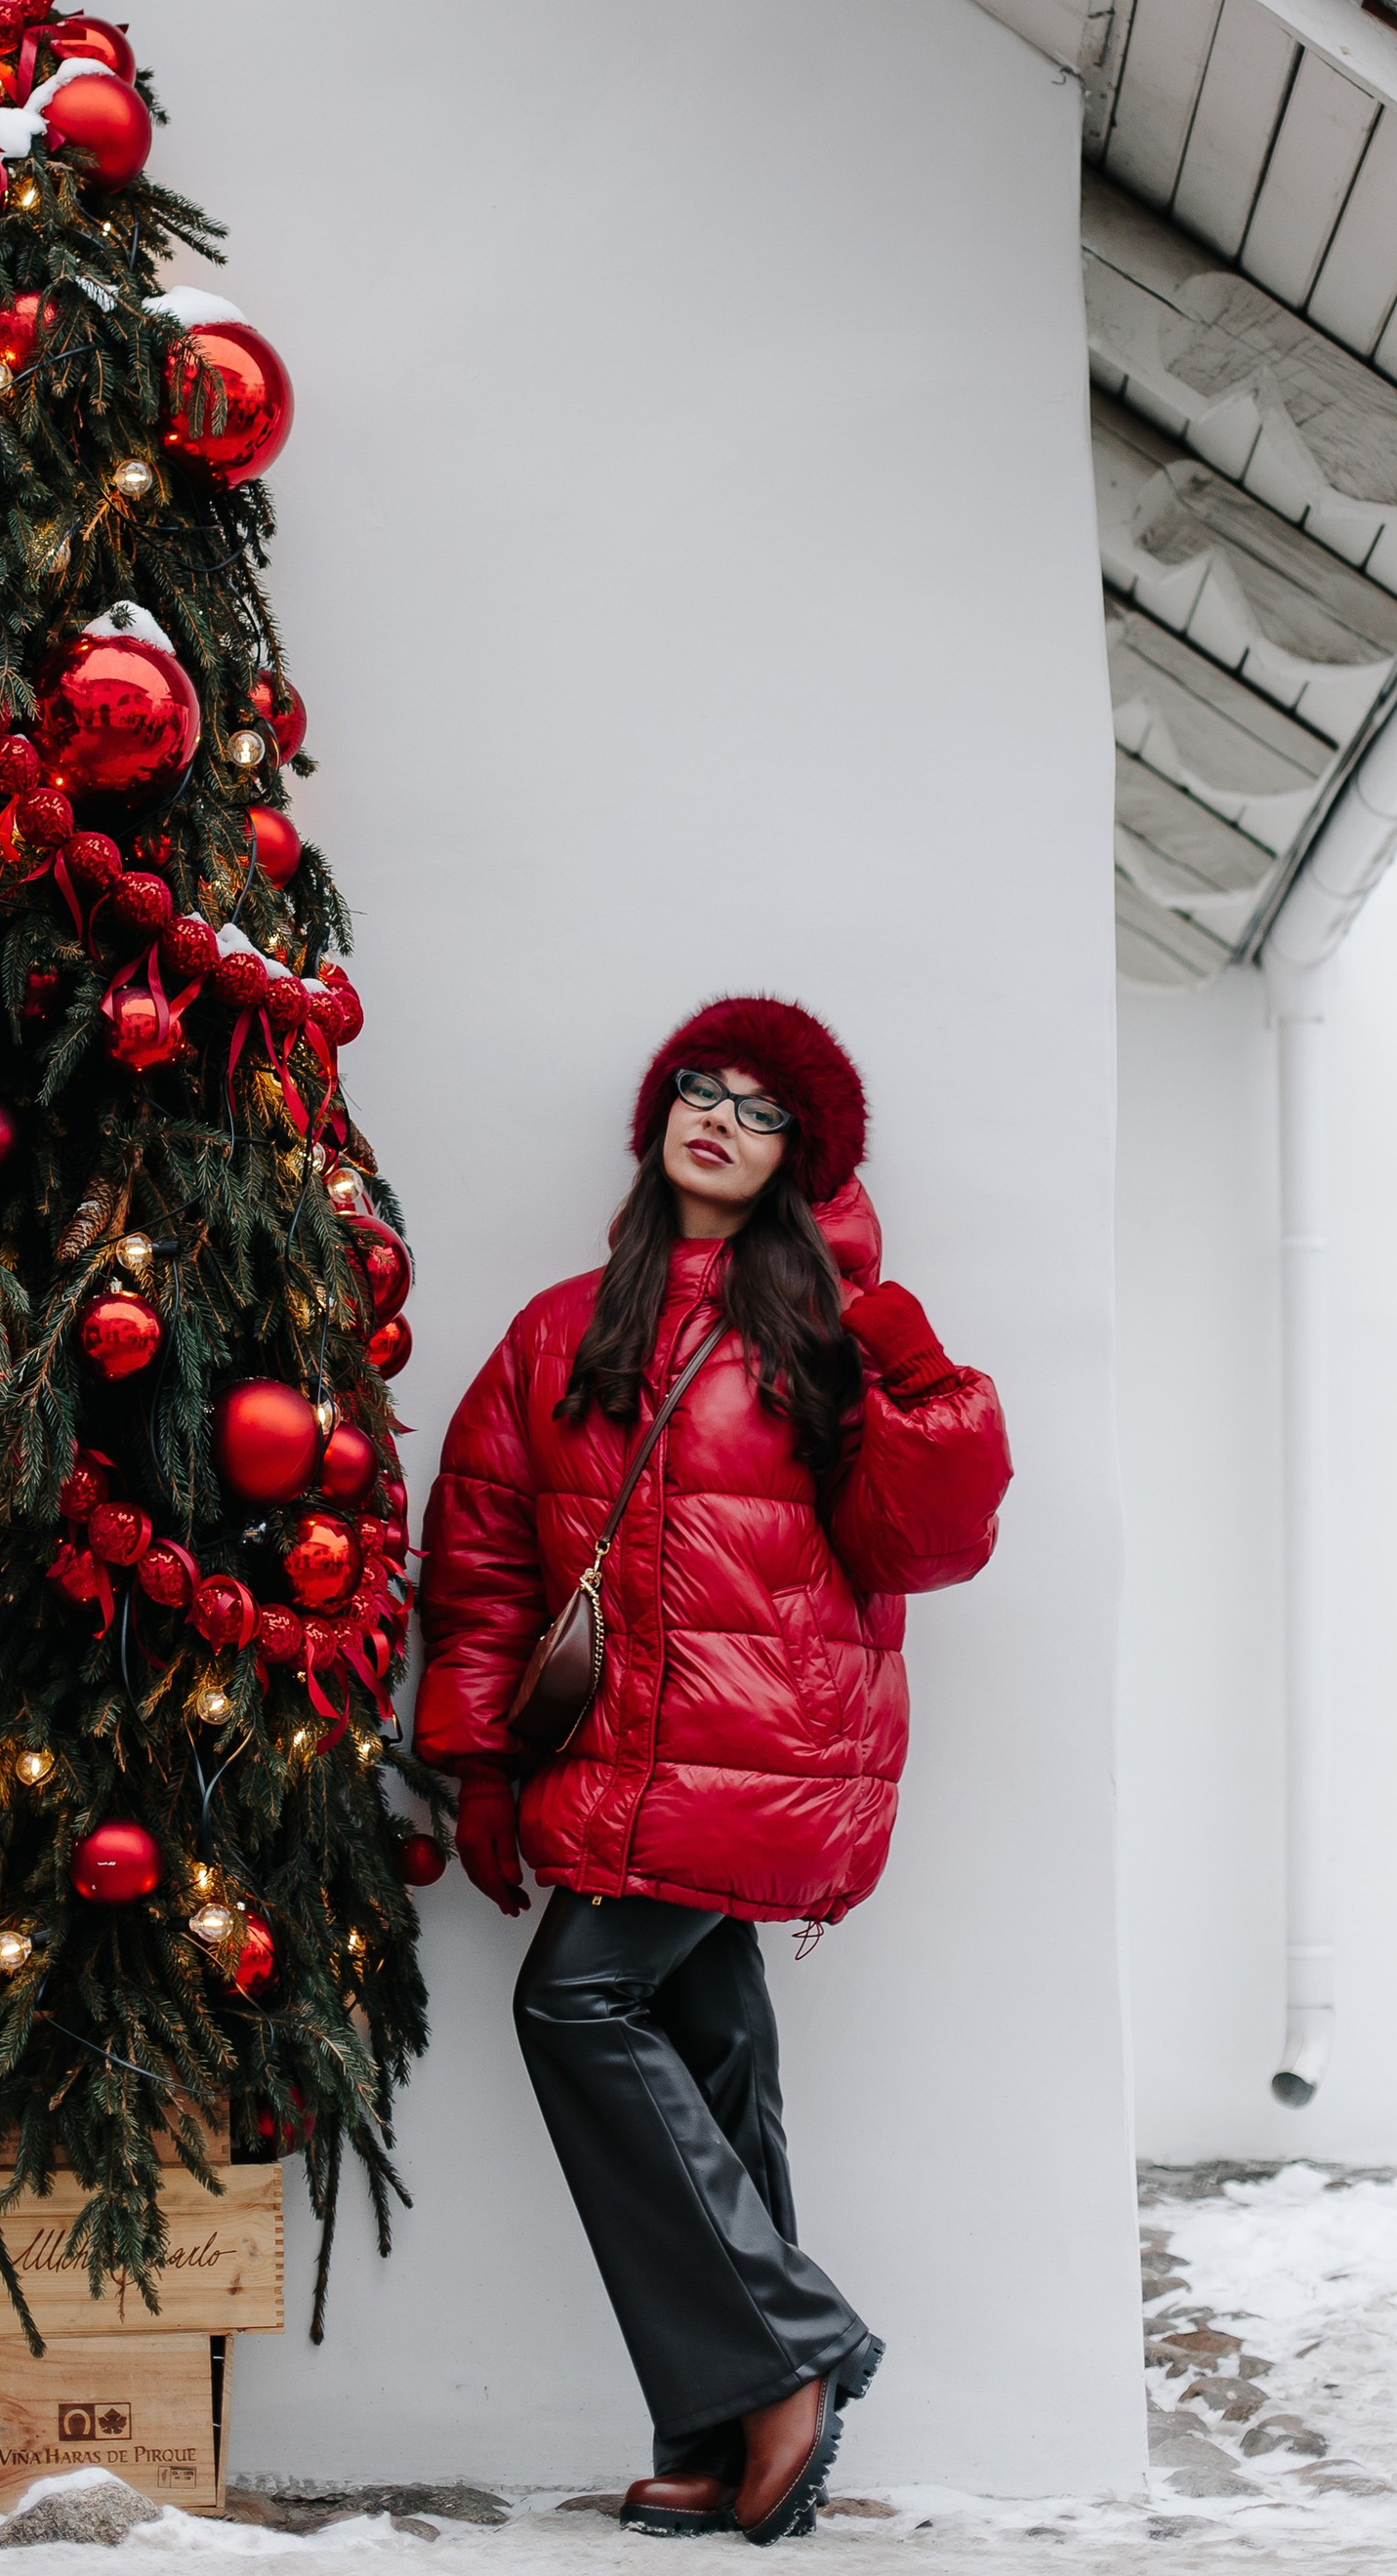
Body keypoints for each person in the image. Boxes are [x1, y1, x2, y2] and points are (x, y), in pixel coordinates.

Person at [416, 997, 1012, 2544]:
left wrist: (916, 1369)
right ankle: (729, 2420)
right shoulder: (562, 1327)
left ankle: (792, 2349)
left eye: (760, 1110)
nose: (721, 1120)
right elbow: (482, 1553)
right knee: (718, 2047)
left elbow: (930, 1543)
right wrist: (482, 1763)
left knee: (572, 2003)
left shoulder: (832, 1325)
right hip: (618, 1755)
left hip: (770, 1756)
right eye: (702, 1091)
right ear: (658, 1115)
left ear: (797, 1159)